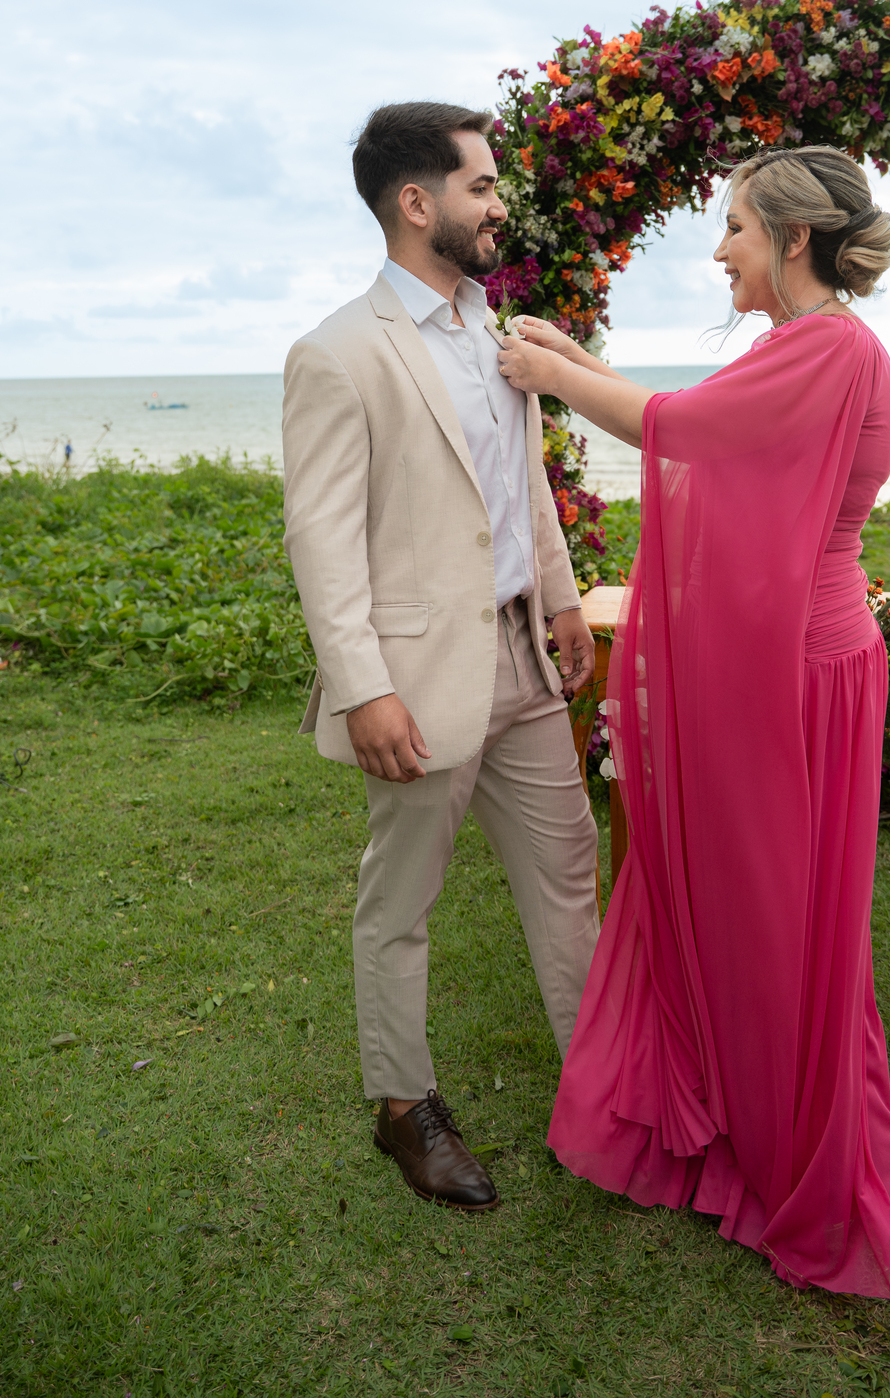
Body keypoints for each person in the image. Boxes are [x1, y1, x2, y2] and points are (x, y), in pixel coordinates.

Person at [497, 145, 890, 1299]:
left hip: (792, 672)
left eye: (733, 227)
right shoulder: (804, 349)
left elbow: (679, 433)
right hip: (802, 661)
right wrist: (574, 359)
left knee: (773, 909)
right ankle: (738, 1107)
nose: (719, 249)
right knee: (761, 902)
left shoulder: (828, 348)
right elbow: (698, 420)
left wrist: (545, 368)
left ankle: (774, 1140)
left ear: (791, 240)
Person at [282, 101, 601, 1214]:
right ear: (417, 203)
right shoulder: (337, 353)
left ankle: (602, 1097)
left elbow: (519, 486)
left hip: (524, 656)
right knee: (400, 901)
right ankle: (403, 1109)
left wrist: (559, 599)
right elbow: (321, 538)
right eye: (482, 186)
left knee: (569, 881)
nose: (499, 203)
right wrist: (365, 685)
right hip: (415, 682)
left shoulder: (492, 329)